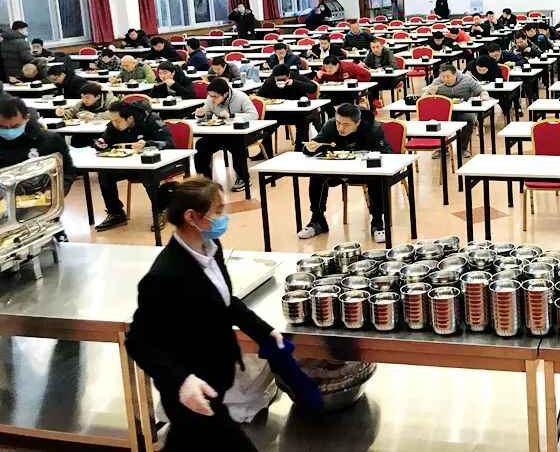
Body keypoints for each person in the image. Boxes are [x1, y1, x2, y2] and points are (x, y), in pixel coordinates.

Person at [126, 177, 282, 452]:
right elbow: (138, 341)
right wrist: (182, 382)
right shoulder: (164, 276)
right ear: (192, 217)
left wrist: (263, 331)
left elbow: (224, 302)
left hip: (215, 379)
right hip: (191, 391)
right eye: (218, 211)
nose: (224, 218)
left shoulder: (211, 248)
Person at [300, 103, 393, 242]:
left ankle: (378, 222)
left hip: (363, 173)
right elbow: (314, 146)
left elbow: (387, 154)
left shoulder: (373, 128)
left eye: (346, 124)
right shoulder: (330, 126)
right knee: (317, 175)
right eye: (338, 123)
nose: (340, 128)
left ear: (358, 122)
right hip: (338, 171)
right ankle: (317, 220)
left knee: (376, 177)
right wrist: (310, 148)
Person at [94, 100, 176, 232]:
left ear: (130, 118)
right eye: (112, 121)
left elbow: (169, 143)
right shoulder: (114, 124)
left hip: (157, 164)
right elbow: (105, 140)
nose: (114, 124)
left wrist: (148, 144)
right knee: (105, 174)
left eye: (118, 121)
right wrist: (100, 144)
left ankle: (160, 210)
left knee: (146, 173)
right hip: (130, 165)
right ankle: (116, 213)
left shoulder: (151, 120)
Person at [0, 94, 75, 193]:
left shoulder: (50, 141)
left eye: (15, 126)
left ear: (27, 118)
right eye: (2, 127)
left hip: (38, 196)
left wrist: (55, 192)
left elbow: (67, 172)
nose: (9, 131)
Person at [193, 78, 258, 193]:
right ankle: (205, 180)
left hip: (241, 134)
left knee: (237, 145)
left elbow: (254, 115)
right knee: (201, 145)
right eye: (210, 96)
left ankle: (243, 178)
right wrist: (201, 115)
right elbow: (207, 115)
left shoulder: (240, 97)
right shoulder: (210, 99)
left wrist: (232, 116)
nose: (212, 99)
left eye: (215, 97)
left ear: (225, 94)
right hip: (220, 133)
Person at [423, 63, 487, 158]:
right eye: (443, 77)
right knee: (435, 120)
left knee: (469, 119)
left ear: (455, 74)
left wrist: (484, 96)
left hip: (463, 111)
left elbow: (481, 91)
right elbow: (424, 100)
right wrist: (429, 93)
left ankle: (462, 148)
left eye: (448, 77)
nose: (445, 79)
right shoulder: (437, 82)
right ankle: (442, 148)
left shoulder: (467, 80)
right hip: (444, 112)